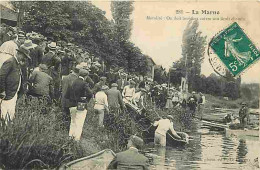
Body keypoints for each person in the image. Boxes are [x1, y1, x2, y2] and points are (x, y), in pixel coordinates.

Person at [0, 46, 31, 123]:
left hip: (13, 92)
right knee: (4, 113)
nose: (25, 59)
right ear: (19, 54)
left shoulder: (17, 63)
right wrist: (2, 90)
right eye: (24, 56)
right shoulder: (10, 62)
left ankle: (7, 128)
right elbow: (1, 76)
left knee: (10, 113)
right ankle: (4, 129)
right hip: (7, 93)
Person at [67, 69, 93, 141]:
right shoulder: (84, 83)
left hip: (72, 104)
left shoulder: (72, 82)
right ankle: (76, 140)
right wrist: (85, 100)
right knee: (79, 123)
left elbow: (67, 95)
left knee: (73, 121)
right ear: (86, 76)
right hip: (81, 104)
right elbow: (90, 93)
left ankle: (70, 137)